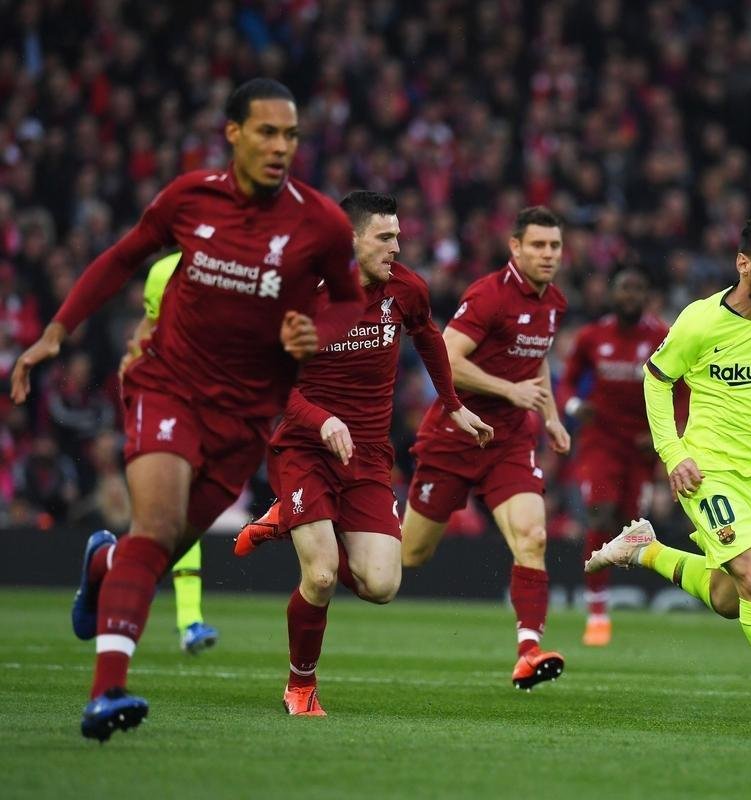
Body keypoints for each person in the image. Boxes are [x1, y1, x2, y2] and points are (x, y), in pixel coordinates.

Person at [10, 78, 366, 741]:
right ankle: (106, 693)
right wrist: (57, 332)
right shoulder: (189, 199)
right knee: (159, 524)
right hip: (168, 385)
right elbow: (121, 258)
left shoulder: (319, 221)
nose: (280, 146)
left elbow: (348, 298)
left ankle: (101, 566)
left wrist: (317, 328)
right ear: (232, 133)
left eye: (291, 135)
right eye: (266, 131)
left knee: (163, 546)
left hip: (246, 415)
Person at [232, 191, 492, 714]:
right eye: (385, 237)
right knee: (323, 574)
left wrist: (454, 404)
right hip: (305, 446)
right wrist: (321, 419)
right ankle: (300, 686)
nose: (397, 246)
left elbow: (429, 338)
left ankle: (287, 518)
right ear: (350, 240)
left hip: (369, 454)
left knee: (381, 585)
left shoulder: (407, 289)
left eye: (398, 236)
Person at [585, 214, 751, 728]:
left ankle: (646, 550)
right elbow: (655, 381)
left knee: (731, 597)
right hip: (707, 473)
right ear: (743, 263)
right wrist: (674, 453)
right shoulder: (700, 321)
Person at [401, 206, 571, 690]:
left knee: (532, 537)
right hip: (456, 434)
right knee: (409, 557)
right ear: (515, 247)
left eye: (554, 246)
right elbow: (447, 360)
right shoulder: (488, 295)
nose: (548, 254)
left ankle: (527, 651)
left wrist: (551, 418)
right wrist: (507, 389)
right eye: (538, 245)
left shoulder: (554, 301)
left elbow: (536, 364)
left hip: (510, 441)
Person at [559, 269, 671, 646]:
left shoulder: (660, 336)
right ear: (613, 293)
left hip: (639, 448)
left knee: (629, 526)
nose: (630, 295)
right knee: (600, 512)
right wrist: (576, 406)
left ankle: (609, 595)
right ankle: (597, 614)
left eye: (638, 288)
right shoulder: (593, 337)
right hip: (601, 441)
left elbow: (684, 387)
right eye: (625, 288)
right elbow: (568, 382)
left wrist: (661, 434)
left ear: (646, 296)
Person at [120, 251, 219, 655]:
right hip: (169, 400)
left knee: (178, 514)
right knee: (169, 511)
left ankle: (113, 576)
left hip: (217, 403)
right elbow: (148, 333)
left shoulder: (243, 265)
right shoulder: (163, 271)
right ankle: (187, 619)